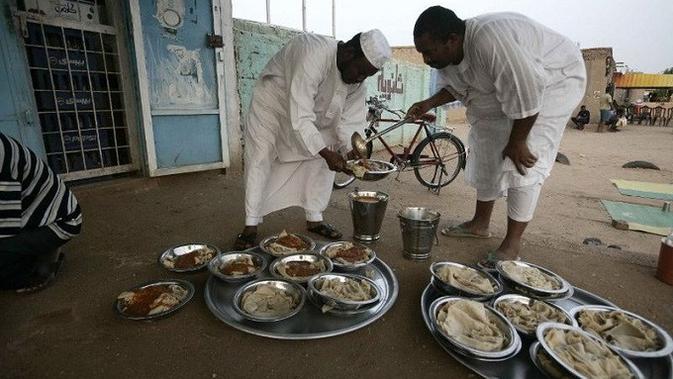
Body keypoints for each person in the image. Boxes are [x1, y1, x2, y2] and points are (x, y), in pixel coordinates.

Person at [406, 7, 586, 268]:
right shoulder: (449, 56)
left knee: (522, 161)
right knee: (487, 147)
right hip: (512, 90)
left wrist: (518, 141)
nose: (426, 59)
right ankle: (480, 224)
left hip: (554, 80)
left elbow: (529, 92)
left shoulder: (490, 41)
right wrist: (429, 103)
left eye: (429, 51)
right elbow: (459, 86)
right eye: (422, 52)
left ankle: (512, 245)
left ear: (452, 39)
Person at [233, 30, 391, 249]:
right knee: (260, 156)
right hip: (273, 106)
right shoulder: (313, 52)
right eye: (360, 71)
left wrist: (350, 151)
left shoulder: (357, 82)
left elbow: (350, 122)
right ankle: (250, 226)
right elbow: (300, 116)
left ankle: (315, 218)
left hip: (310, 115)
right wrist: (325, 153)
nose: (359, 79)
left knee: (327, 151)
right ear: (348, 52)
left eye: (366, 76)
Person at [0, 133, 82, 293]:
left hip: (58, 222)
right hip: (27, 216)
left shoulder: (2, 158)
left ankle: (41, 265)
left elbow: (4, 228)